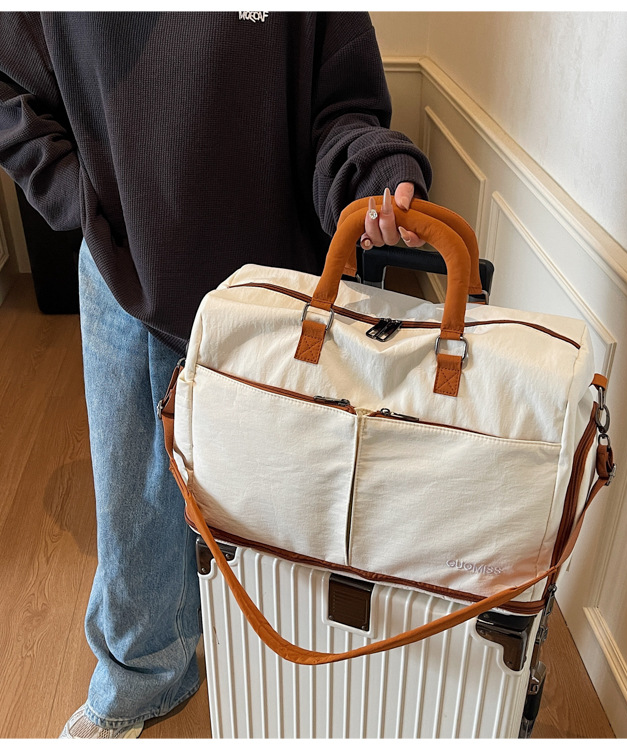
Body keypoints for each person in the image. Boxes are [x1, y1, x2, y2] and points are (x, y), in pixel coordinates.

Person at [0, 11, 431, 738]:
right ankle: (142, 677)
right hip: (122, 266)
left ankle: (284, 678)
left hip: (272, 283)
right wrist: (79, 196)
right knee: (134, 506)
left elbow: (340, 106)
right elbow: (9, 80)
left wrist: (374, 176)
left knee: (281, 512)